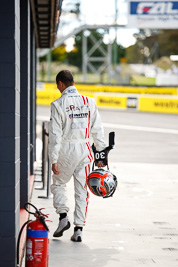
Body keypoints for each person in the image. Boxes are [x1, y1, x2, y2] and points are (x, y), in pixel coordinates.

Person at [48, 70, 106, 242]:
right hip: (86, 151)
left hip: (66, 151)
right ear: (73, 82)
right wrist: (101, 155)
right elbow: (98, 130)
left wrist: (54, 159)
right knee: (82, 191)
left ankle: (63, 216)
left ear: (60, 84)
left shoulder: (57, 104)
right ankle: (79, 229)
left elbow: (55, 136)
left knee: (58, 183)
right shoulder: (90, 101)